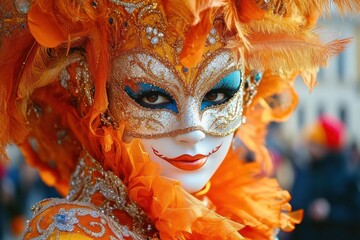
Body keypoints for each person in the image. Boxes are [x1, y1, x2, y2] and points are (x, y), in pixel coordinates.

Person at [0, 0, 358, 239]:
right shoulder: (76, 232)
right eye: (152, 96)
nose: (194, 130)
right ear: (93, 92)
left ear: (249, 88)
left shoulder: (239, 219)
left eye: (219, 94)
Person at [290, 116, 360, 240]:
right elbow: (295, 204)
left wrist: (330, 212)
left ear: (327, 145)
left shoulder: (347, 174)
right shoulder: (306, 169)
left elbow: (354, 213)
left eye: (315, 143)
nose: (310, 147)